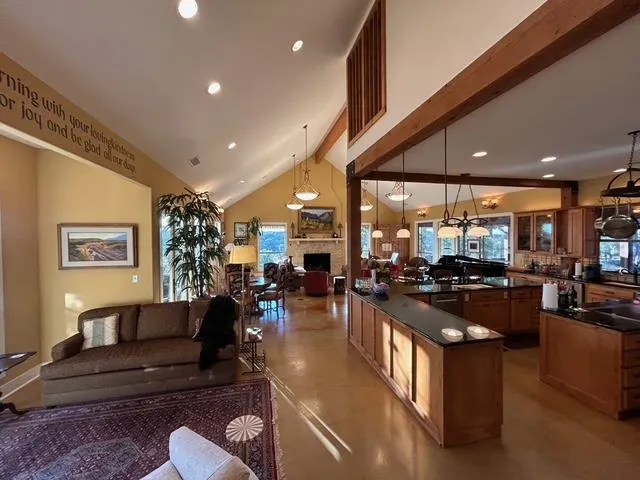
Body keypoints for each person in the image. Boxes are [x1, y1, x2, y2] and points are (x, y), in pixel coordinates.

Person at [193, 295, 237, 370]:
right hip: (218, 335)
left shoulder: (214, 310)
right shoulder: (224, 306)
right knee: (211, 342)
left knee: (210, 343)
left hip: (214, 334)